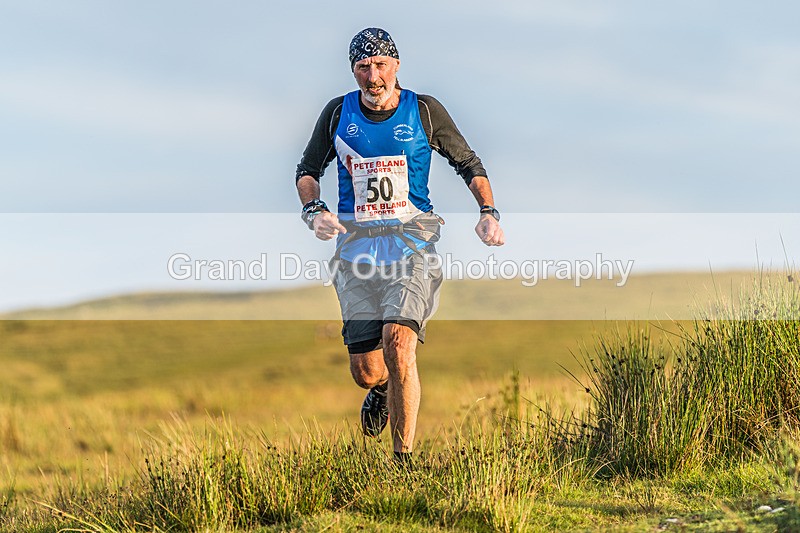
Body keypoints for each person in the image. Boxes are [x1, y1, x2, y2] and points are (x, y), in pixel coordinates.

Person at [295, 27, 504, 463]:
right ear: (353, 71)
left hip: (412, 248)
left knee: (398, 342)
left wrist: (488, 212)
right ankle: (384, 387)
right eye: (363, 68)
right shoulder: (338, 114)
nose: (373, 77)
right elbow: (307, 168)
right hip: (355, 254)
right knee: (367, 370)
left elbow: (468, 163)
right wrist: (314, 210)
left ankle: (402, 462)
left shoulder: (423, 111)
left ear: (397, 65)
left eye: (381, 65)